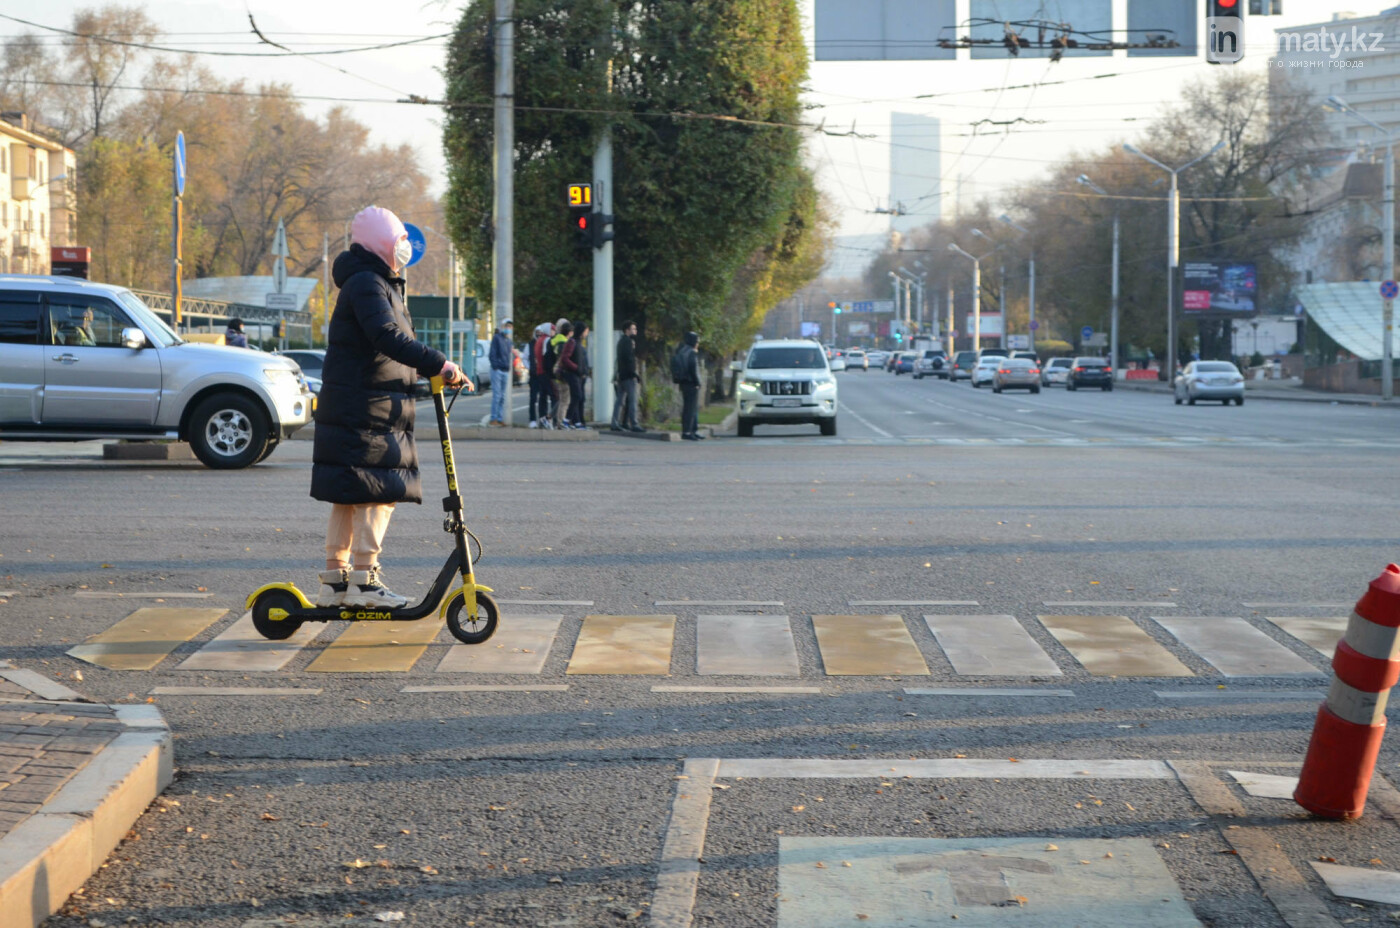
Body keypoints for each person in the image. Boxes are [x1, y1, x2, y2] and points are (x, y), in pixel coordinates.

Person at [310, 205, 470, 609]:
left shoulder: (375, 282)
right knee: (377, 491)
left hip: (362, 402)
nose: (404, 248)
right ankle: (363, 583)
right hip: (365, 408)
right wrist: (441, 364)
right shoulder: (368, 282)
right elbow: (385, 336)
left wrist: (415, 374)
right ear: (382, 243)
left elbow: (378, 349)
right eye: (399, 240)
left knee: (350, 493)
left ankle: (336, 581)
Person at [611, 320, 643, 432]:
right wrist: (634, 374)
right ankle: (634, 423)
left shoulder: (620, 342)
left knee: (619, 401)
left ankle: (614, 422)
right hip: (629, 376)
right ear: (627, 330)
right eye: (633, 329)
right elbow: (629, 360)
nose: (635, 331)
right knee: (632, 400)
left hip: (621, 375)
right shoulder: (628, 342)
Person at [674, 330, 703, 440]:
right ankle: (687, 432)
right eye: (697, 341)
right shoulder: (691, 353)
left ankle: (692, 430)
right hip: (691, 383)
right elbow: (693, 369)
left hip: (683, 382)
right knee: (690, 408)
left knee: (691, 408)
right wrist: (697, 382)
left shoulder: (681, 351)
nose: (698, 343)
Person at [488, 319, 514, 426]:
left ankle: (499, 418)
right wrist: (496, 366)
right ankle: (494, 418)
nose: (508, 329)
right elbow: (492, 354)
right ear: (503, 326)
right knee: (497, 395)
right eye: (507, 326)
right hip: (497, 370)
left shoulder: (508, 341)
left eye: (510, 327)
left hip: (505, 370)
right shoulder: (497, 338)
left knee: (502, 396)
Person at [528, 323, 553, 428]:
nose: (538, 335)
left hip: (541, 373)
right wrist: (530, 367)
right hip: (537, 374)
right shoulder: (534, 343)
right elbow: (526, 357)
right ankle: (535, 419)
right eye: (537, 333)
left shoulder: (542, 342)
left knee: (544, 397)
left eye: (540, 333)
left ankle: (544, 418)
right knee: (535, 398)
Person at [566, 322, 590, 428]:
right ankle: (567, 420)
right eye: (586, 331)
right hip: (573, 374)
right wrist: (577, 368)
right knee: (577, 396)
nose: (586, 333)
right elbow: (565, 358)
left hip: (579, 375)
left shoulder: (579, 342)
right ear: (581, 331)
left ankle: (576, 421)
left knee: (578, 397)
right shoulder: (573, 342)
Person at [550, 321, 573, 430]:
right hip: (563, 374)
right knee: (565, 401)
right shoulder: (565, 344)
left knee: (562, 399)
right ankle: (560, 423)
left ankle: (556, 420)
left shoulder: (555, 342)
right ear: (569, 332)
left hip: (557, 373)